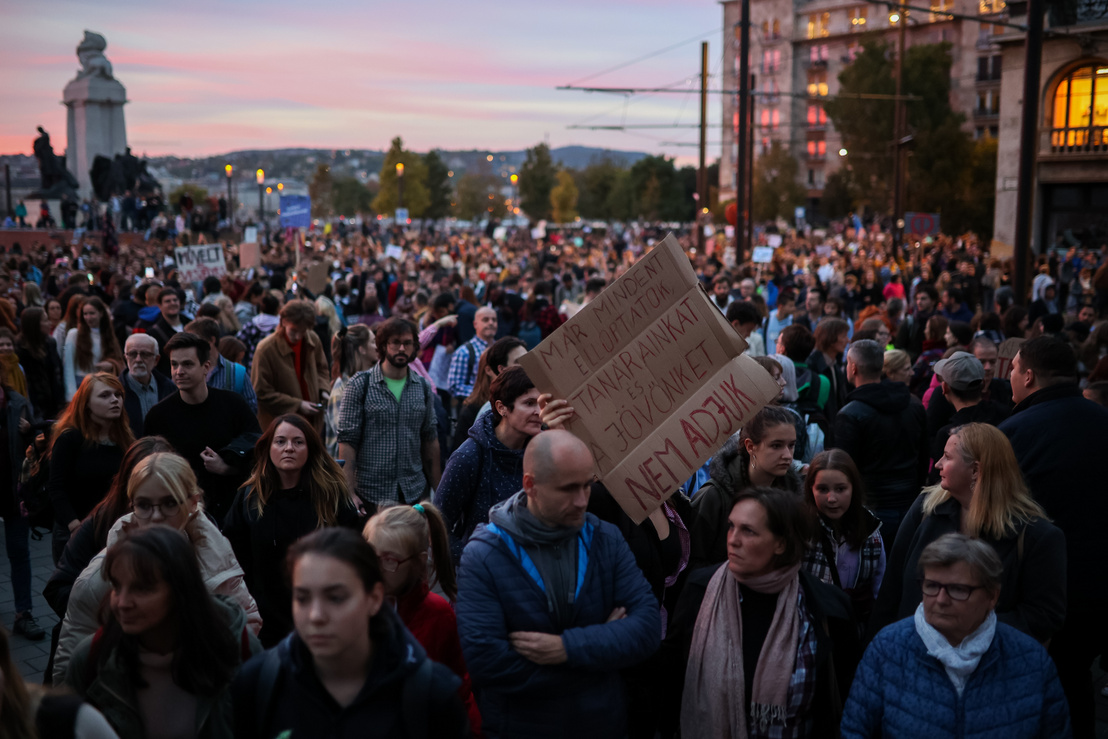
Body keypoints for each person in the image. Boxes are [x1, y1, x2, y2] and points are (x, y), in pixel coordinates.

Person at [455, 430, 660, 739]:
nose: (582, 501)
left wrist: (566, 648)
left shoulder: (606, 538)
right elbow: (488, 665)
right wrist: (601, 653)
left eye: (586, 486)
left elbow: (647, 628)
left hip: (603, 725)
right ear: (530, 486)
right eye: (568, 489)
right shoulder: (483, 555)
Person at [231, 527, 469, 739]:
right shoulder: (258, 685)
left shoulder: (432, 696)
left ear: (374, 598)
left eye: (336, 598)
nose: (316, 615)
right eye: (302, 598)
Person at [53, 450, 261, 683]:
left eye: (170, 503)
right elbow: (67, 677)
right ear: (132, 505)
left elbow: (248, 625)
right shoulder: (98, 579)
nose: (155, 517)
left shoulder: (215, 553)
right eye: (144, 505)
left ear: (193, 503)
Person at [842, 534, 1071, 739]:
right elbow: (855, 730)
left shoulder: (1031, 661)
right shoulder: (888, 649)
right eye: (932, 586)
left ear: (992, 596)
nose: (941, 599)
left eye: (958, 589)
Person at [674, 486, 860, 737]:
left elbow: (843, 693)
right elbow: (671, 682)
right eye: (731, 526)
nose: (732, 539)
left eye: (748, 531)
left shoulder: (825, 608)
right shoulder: (701, 591)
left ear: (781, 544)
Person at [1000, 335, 1108, 737]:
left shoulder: (1014, 431)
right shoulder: (1100, 420)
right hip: (1097, 587)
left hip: (1039, 589)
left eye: (1011, 369)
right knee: (1075, 677)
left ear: (1028, 375)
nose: (1009, 376)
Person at [872, 423, 1066, 645]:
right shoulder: (925, 509)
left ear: (975, 470)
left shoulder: (1036, 536)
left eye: (947, 457)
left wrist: (969, 628)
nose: (938, 464)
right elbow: (891, 590)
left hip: (990, 668)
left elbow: (1044, 616)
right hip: (912, 655)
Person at [64, 526, 261, 738]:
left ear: (180, 590)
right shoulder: (91, 660)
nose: (122, 602)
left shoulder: (241, 650)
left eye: (141, 588)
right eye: (116, 586)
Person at [224, 414, 363, 647]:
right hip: (264, 618)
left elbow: (353, 552)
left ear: (310, 448)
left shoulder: (331, 496)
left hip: (321, 614)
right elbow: (232, 555)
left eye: (298, 442)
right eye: (280, 441)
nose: (289, 448)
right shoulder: (249, 498)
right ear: (268, 448)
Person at [363, 503, 482, 736]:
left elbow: (458, 691)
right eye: (369, 555)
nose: (375, 569)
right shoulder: (355, 611)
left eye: (389, 560)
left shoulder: (439, 616)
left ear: (419, 562)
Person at [143, 332, 261, 526]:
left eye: (187, 364)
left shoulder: (233, 405)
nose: (179, 371)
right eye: (174, 364)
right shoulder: (158, 416)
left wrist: (228, 468)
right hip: (180, 515)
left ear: (206, 367)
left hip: (232, 513)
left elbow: (259, 450)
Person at [435, 365, 539, 564]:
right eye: (529, 403)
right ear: (502, 408)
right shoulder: (469, 456)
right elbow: (437, 528)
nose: (539, 411)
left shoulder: (544, 448)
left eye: (541, 403)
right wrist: (478, 557)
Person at [833, 339, 928, 550]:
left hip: (871, 509)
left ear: (853, 367)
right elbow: (923, 457)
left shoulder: (850, 415)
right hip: (909, 505)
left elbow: (844, 470)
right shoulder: (913, 404)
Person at [337, 317, 440, 511]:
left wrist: (439, 490)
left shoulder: (423, 388)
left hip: (413, 491)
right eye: (395, 342)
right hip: (371, 493)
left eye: (407, 343)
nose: (401, 349)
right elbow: (347, 441)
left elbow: (430, 440)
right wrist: (348, 492)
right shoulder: (361, 385)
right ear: (383, 346)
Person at [690, 405, 802, 569]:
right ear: (750, 447)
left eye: (791, 445)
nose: (787, 455)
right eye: (776, 446)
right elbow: (691, 565)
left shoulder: (792, 497)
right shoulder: (713, 497)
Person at [46, 372, 134, 563]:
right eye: (104, 395)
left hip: (114, 532)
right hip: (75, 532)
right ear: (86, 403)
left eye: (118, 395)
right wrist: (75, 527)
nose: (114, 400)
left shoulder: (124, 439)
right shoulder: (71, 439)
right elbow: (56, 488)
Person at [801, 449, 885, 627]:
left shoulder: (871, 531)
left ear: (853, 488)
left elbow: (879, 585)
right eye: (822, 489)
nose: (832, 498)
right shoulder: (801, 530)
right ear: (811, 489)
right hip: (812, 626)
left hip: (855, 627)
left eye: (840, 489)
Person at [926, 351, 1009, 479]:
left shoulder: (947, 436)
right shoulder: (1004, 415)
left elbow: (938, 483)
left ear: (945, 388)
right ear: (982, 384)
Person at [251, 299, 330, 429]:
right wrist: (297, 404)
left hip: (312, 423)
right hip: (280, 426)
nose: (298, 336)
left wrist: (323, 390)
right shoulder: (265, 349)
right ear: (283, 321)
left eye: (303, 331)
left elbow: (322, 368)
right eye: (294, 331)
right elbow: (261, 392)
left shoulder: (312, 339)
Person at [453, 336, 527, 452]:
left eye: (526, 360)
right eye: (518, 362)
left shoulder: (540, 397)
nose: (526, 367)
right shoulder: (481, 411)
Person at [185, 316, 258, 414]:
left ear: (211, 340)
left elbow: (251, 409)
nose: (190, 346)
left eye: (194, 341)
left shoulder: (237, 373)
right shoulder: (184, 371)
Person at [324, 324, 376, 457]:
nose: (377, 347)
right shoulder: (342, 389)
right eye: (373, 342)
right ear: (362, 349)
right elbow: (345, 437)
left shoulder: (372, 381)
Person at [64, 297, 124, 401]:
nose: (88, 317)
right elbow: (68, 366)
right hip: (82, 385)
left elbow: (119, 358)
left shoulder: (108, 335)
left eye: (92, 313)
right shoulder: (74, 334)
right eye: (85, 314)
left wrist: (111, 364)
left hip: (103, 385)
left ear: (101, 313)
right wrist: (71, 395)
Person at [119, 333, 175, 437]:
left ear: (156, 360)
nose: (138, 359)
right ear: (125, 357)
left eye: (145, 354)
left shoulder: (169, 389)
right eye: (132, 354)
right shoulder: (115, 391)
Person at [18, 306, 65, 421]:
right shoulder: (21, 350)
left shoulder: (50, 343)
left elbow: (58, 373)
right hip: (36, 407)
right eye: (45, 320)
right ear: (34, 324)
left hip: (55, 403)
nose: (49, 323)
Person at [448, 306, 497, 400]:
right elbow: (454, 386)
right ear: (475, 324)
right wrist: (484, 394)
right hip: (475, 408)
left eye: (494, 320)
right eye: (485, 320)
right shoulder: (464, 352)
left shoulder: (501, 349)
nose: (491, 323)